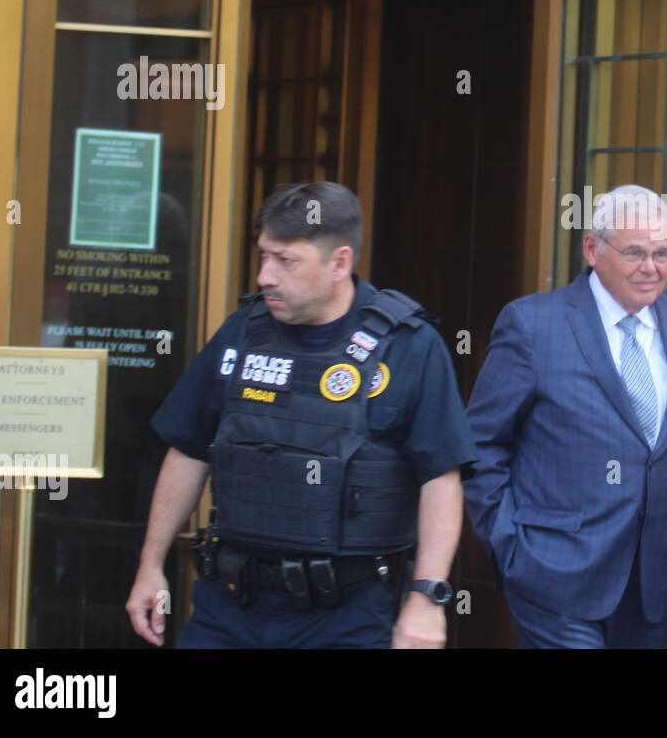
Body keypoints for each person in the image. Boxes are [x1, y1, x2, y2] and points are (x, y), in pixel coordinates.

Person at [125, 182, 476, 648]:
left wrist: (427, 599)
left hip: (347, 614)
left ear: (339, 263)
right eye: (263, 256)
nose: (266, 276)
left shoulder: (408, 346)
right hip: (231, 605)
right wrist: (151, 565)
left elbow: (440, 476)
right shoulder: (242, 332)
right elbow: (189, 448)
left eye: (285, 260)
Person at [464, 185, 667, 648]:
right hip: (555, 573)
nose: (651, 268)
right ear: (592, 249)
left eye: (662, 253)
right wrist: (511, 543)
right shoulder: (533, 325)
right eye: (635, 252)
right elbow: (479, 445)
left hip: (650, 582)